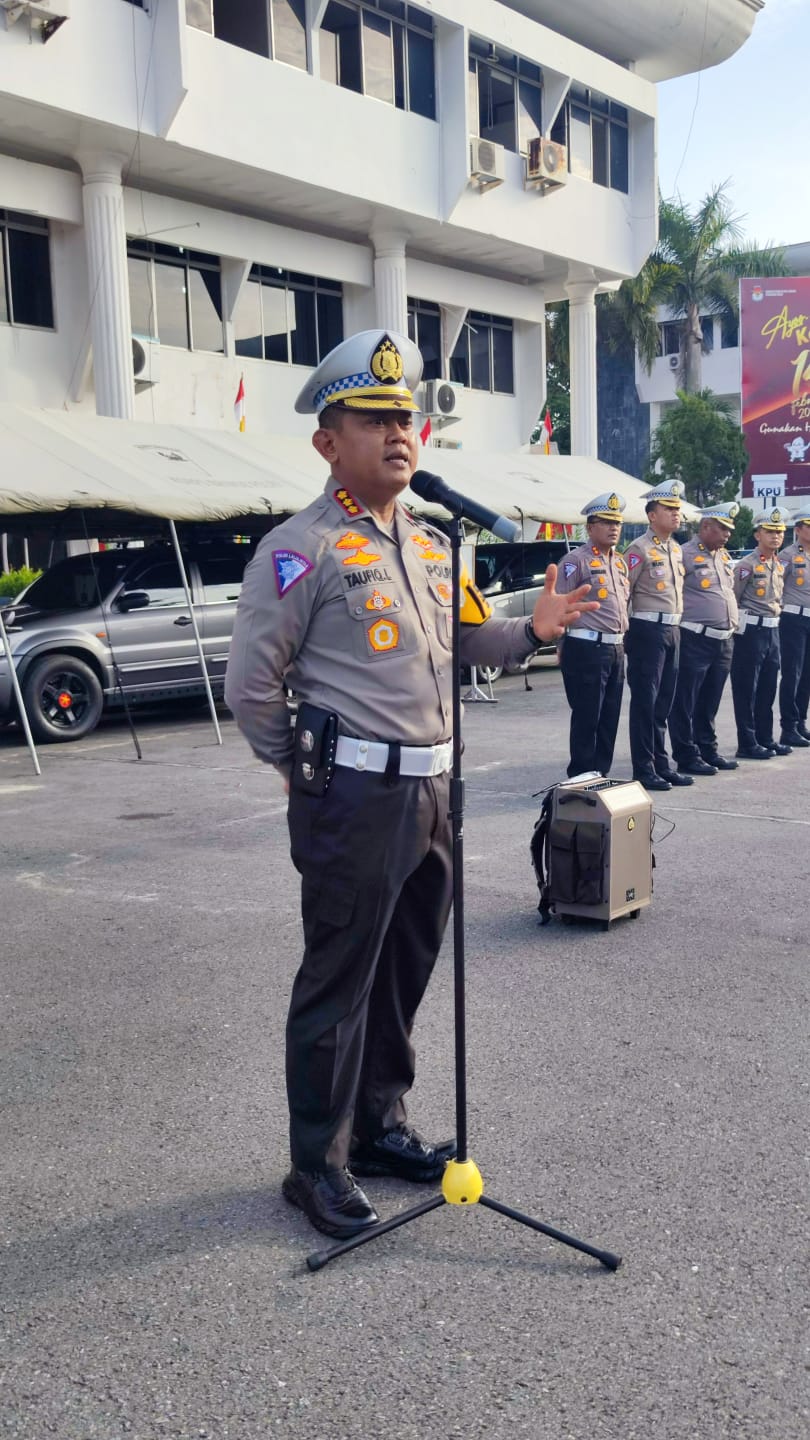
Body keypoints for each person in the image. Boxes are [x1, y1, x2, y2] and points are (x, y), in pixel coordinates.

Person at [224, 329, 597, 1242]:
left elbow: (472, 643)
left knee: (404, 974)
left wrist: (535, 629)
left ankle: (382, 1125)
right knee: (338, 982)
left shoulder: (434, 545)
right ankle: (316, 1163)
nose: (400, 433)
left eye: (406, 418)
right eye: (374, 418)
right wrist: (298, 773)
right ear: (328, 441)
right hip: (352, 800)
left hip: (434, 795)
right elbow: (250, 687)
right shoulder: (297, 549)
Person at [624, 479, 692, 792]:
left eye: (678, 509)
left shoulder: (676, 549)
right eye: (669, 508)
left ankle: (662, 765)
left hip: (672, 629)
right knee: (645, 702)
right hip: (646, 630)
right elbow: (623, 594)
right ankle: (644, 767)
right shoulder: (638, 549)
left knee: (664, 701)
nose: (676, 514)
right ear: (652, 515)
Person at [556, 491, 629, 777]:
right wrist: (561, 644)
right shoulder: (576, 561)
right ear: (590, 527)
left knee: (610, 718)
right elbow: (560, 605)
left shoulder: (619, 562)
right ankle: (581, 776)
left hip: (615, 648)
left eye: (617, 523)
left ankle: (601, 775)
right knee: (588, 716)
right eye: (605, 522)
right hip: (586, 648)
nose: (613, 528)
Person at [668, 502, 740, 774]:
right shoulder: (683, 554)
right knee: (686, 700)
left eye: (729, 530)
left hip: (723, 640)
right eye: (722, 528)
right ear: (706, 527)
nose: (727, 535)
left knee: (710, 700)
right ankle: (686, 754)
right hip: (694, 637)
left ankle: (707, 749)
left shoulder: (722, 556)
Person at [730, 505, 790, 760]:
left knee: (767, 687)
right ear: (757, 535)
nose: (775, 536)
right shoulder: (747, 565)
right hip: (751, 630)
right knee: (747, 689)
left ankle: (765, 738)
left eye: (778, 532)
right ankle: (747, 741)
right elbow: (734, 598)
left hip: (772, 631)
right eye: (769, 531)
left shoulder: (778, 564)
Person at [777, 505, 810, 748]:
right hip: (792, 619)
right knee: (793, 673)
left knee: (807, 674)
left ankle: (800, 722)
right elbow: (775, 586)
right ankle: (788, 727)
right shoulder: (787, 555)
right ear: (798, 529)